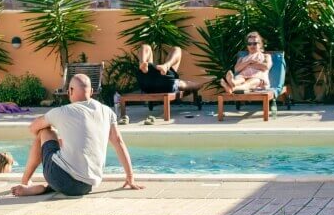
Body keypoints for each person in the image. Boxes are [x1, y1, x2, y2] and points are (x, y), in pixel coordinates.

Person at [11, 74, 141, 197]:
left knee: (45, 131)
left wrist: (52, 140)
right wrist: (130, 176)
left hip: (60, 177)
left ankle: (25, 181)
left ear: (70, 91)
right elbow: (118, 142)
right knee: (67, 159)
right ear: (91, 92)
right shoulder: (106, 111)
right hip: (87, 186)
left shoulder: (62, 111)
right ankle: (46, 188)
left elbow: (33, 128)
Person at [134, 44, 203, 94]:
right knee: (177, 49)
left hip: (146, 83)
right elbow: (194, 85)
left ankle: (142, 62)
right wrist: (200, 85)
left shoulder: (149, 72)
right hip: (167, 84)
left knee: (146, 47)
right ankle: (166, 66)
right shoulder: (175, 81)